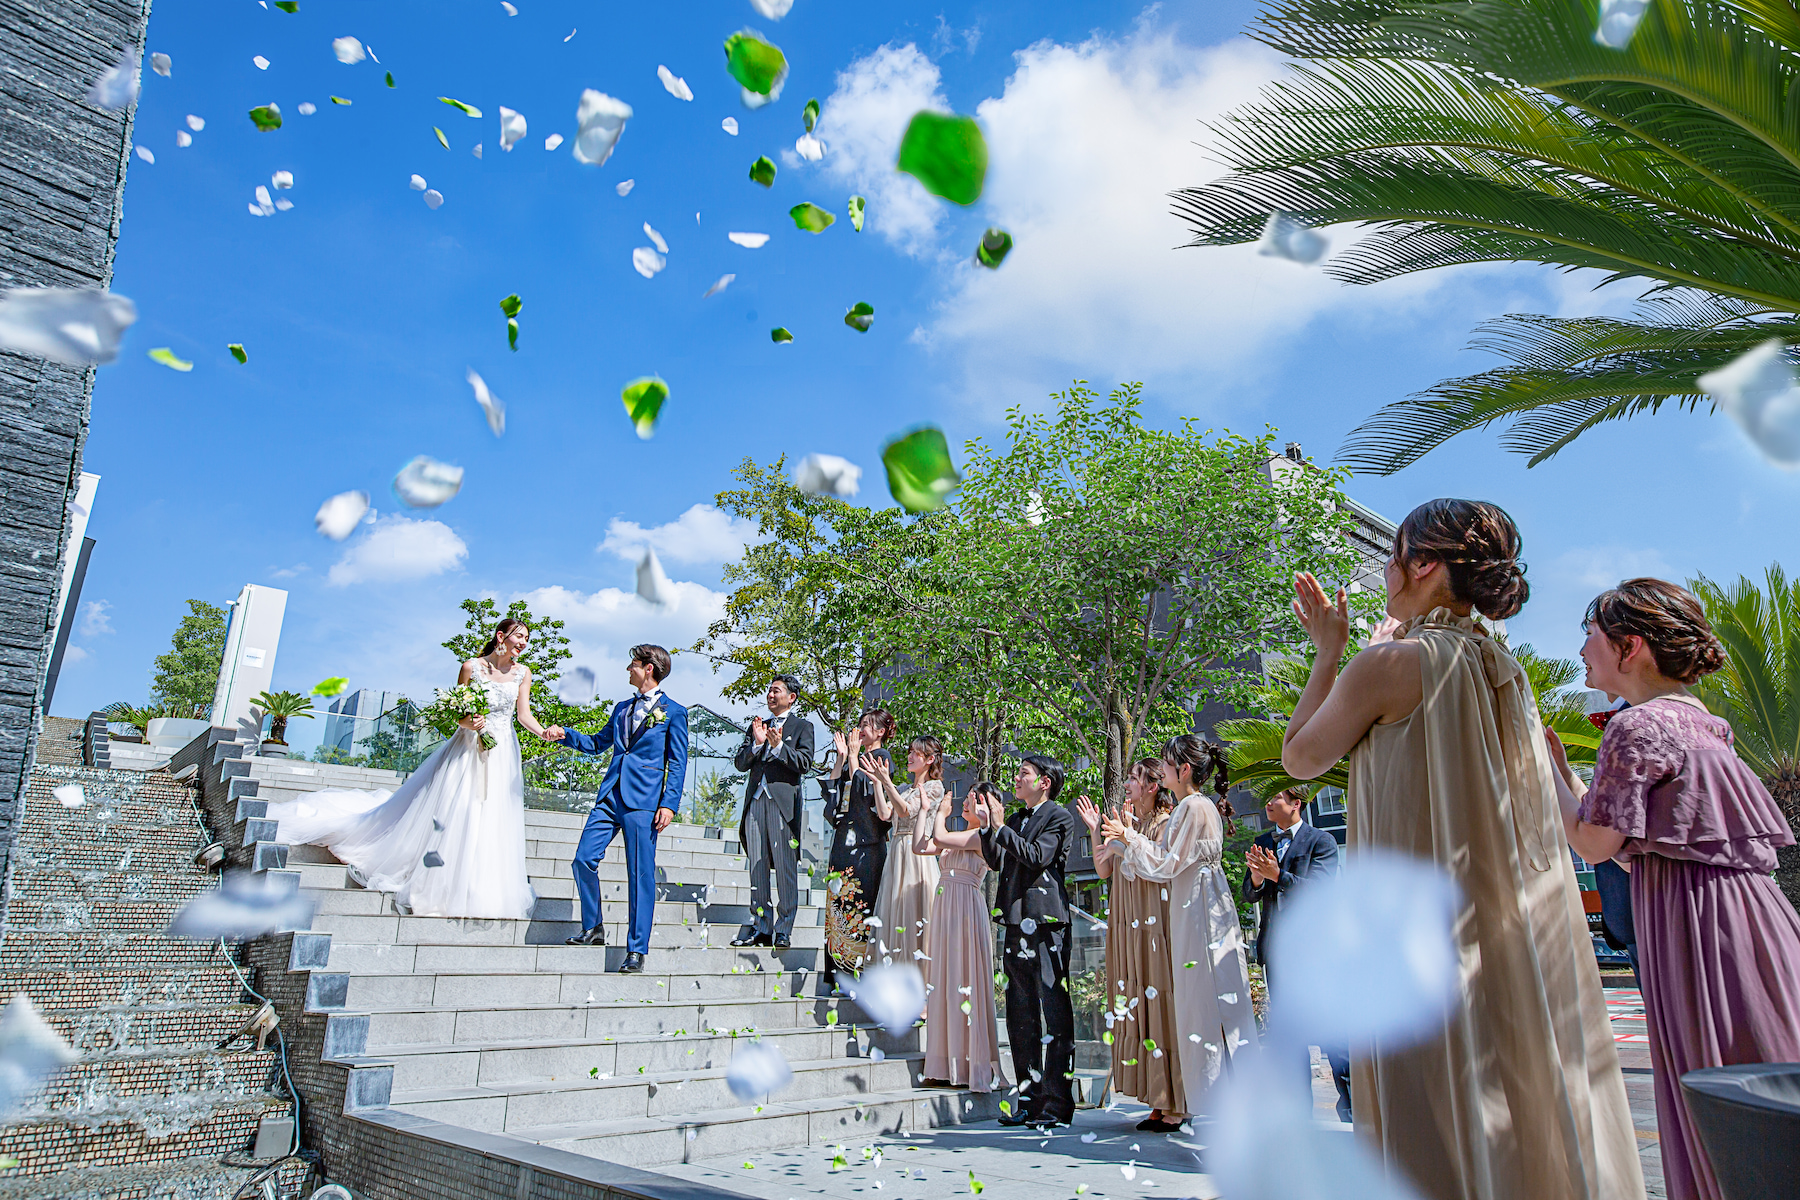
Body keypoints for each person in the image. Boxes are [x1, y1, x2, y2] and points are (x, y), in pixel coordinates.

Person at [1280, 498, 1643, 1200]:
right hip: (1511, 930)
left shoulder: (1391, 663)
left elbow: (1298, 758)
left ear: (1424, 566)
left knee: (1433, 1113)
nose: (1386, 570)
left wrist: (1332, 649)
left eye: (1394, 556)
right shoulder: (1499, 662)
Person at [1547, 578, 1800, 1200]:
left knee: (1715, 1079)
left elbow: (1593, 844)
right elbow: (1656, 840)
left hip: (1693, 923)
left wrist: (1545, 770)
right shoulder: (1706, 724)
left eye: (1592, 635)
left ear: (1629, 646)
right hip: (1751, 911)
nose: (1582, 649)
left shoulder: (1634, 730)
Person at [264, 618, 545, 920]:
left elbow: (523, 714)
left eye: (527, 639)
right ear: (501, 636)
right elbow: (454, 715)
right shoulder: (470, 667)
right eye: (520, 637)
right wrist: (469, 723)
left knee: (491, 816)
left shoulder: (522, 673)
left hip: (501, 750)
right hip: (465, 750)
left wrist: (543, 732)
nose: (524, 644)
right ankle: (439, 882)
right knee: (459, 811)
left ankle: (479, 886)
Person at [1102, 735, 1255, 1122]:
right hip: (1196, 904)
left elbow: (1167, 864)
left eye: (1167, 765)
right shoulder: (1196, 806)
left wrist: (1127, 837)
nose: (1164, 770)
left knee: (1206, 1003)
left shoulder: (1193, 807)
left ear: (1183, 770)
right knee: (1202, 1004)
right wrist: (1129, 838)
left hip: (1200, 909)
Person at [545, 644, 689, 975]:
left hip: (645, 802)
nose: (628, 669)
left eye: (633, 664)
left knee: (640, 876)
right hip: (610, 796)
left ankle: (636, 949)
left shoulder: (675, 712)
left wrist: (669, 804)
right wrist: (565, 734)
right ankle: (593, 928)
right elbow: (598, 743)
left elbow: (678, 762)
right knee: (583, 859)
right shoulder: (622, 707)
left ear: (649, 668)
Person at [1075, 759, 1186, 1133]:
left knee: (1160, 999)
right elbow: (1103, 868)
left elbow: (1162, 864)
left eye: (1135, 778)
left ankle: (1175, 1100)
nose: (1128, 783)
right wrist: (1096, 831)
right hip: (1125, 916)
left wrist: (1126, 837)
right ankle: (1155, 1098)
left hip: (1152, 915)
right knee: (1135, 997)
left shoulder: (1168, 823)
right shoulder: (1125, 819)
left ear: (1153, 786)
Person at [1240, 786, 1351, 1122]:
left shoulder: (1321, 842)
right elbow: (1249, 893)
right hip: (1277, 953)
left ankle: (1353, 1113)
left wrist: (1278, 875)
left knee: (1332, 1035)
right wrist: (1258, 879)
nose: (1268, 803)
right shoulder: (1263, 841)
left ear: (1296, 803)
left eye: (1276, 797)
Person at [980, 754, 1077, 1129]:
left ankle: (1057, 1102)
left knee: (1055, 1013)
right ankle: (1028, 1098)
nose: (1017, 779)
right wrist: (992, 826)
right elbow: (993, 860)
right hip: (1016, 921)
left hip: (1048, 923)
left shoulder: (1058, 817)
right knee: (1020, 1015)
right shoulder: (1016, 820)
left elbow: (1038, 856)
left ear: (1045, 782)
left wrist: (1003, 829)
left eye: (1024, 773)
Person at [915, 781, 1009, 1094]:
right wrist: (926, 812)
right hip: (945, 907)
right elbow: (920, 846)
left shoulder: (981, 836)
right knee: (943, 980)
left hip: (966, 909)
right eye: (967, 799)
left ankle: (968, 1063)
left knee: (963, 978)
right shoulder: (958, 834)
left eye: (972, 799)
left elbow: (939, 837)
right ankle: (942, 1064)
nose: (965, 804)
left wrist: (941, 813)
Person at [729, 674, 815, 950]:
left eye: (776, 691)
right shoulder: (758, 725)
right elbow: (740, 763)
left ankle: (784, 928)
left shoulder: (803, 727)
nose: (770, 695)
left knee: (785, 867)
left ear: (791, 697)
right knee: (757, 865)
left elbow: (804, 763)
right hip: (755, 799)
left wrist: (778, 746)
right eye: (768, 691)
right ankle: (761, 927)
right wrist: (756, 743)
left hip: (782, 804)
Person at [816, 709, 894, 993]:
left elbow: (864, 787)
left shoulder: (881, 758)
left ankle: (859, 973)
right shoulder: (854, 756)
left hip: (866, 844)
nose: (861, 729)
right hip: (843, 838)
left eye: (867, 725)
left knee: (860, 904)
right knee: (837, 905)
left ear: (882, 731)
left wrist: (853, 756)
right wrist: (841, 756)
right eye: (859, 725)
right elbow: (834, 790)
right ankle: (837, 974)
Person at [865, 729, 943, 971]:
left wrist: (887, 782)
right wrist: (879, 783)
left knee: (914, 916)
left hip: (917, 854)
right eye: (910, 752)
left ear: (930, 759)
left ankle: (921, 982)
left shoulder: (934, 787)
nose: (910, 757)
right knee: (894, 914)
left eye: (916, 753)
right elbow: (885, 813)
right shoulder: (905, 788)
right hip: (897, 851)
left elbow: (906, 811)